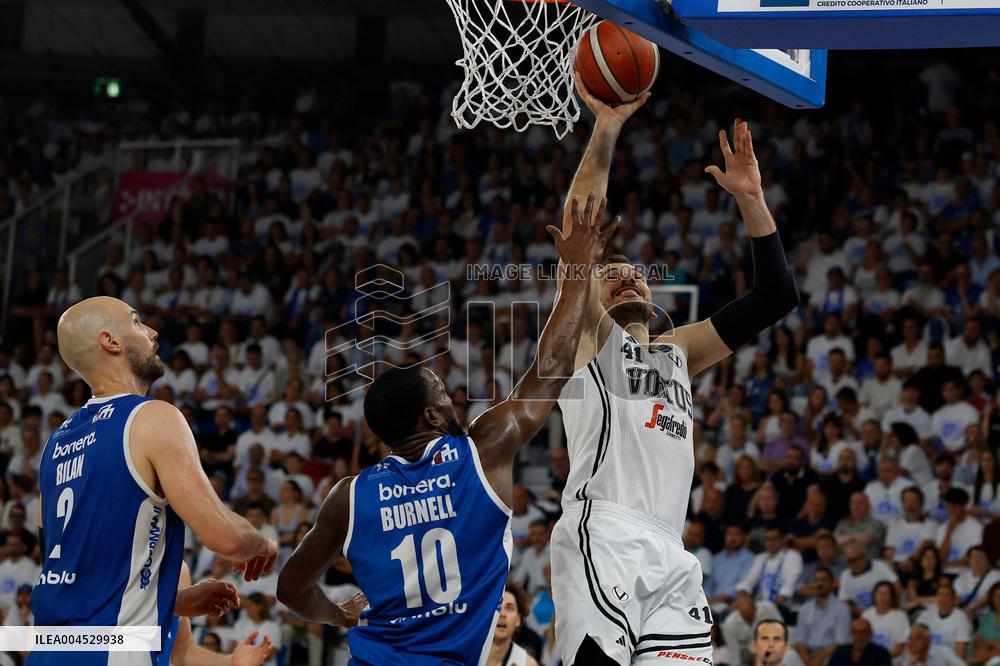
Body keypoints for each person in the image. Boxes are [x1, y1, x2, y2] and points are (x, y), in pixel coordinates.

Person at [275, 194, 614, 663]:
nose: (453, 397)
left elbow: (290, 588)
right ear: (432, 417)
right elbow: (554, 366)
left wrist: (338, 615)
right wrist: (577, 269)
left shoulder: (348, 497)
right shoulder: (483, 452)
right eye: (441, 393)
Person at [550, 78, 799, 664]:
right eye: (612, 274)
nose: (629, 276)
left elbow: (775, 297)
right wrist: (607, 129)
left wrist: (750, 198)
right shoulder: (590, 335)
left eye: (637, 272)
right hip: (603, 531)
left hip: (671, 549)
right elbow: (580, 228)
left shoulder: (677, 351)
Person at [27, 297, 278, 666]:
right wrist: (262, 542)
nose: (153, 332)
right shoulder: (152, 417)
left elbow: (71, 565)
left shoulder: (56, 443)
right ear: (111, 342)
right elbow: (227, 539)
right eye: (137, 322)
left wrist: (171, 601)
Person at [794, 567, 851, 666]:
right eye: (816, 580)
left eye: (824, 580)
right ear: (811, 584)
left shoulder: (842, 609)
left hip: (831, 654)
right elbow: (800, 639)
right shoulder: (804, 609)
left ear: (833, 583)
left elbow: (840, 642)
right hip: (808, 653)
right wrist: (805, 657)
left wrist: (818, 659)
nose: (820, 584)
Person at [487, 581, 540, 666]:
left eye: (509, 608)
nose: (503, 614)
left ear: (518, 619)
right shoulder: (466, 654)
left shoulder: (528, 664)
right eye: (498, 607)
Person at [915, 581, 971, 659]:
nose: (942, 598)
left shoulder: (961, 618)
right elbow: (915, 640)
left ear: (953, 599)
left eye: (947, 595)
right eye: (940, 595)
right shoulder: (926, 614)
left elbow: (959, 654)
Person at [862, 581, 910, 659]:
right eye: (879, 593)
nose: (882, 597)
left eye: (886, 594)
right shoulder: (866, 615)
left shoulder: (900, 616)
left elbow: (902, 644)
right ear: (874, 595)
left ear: (892, 596)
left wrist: (883, 659)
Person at [828, 618, 892, 666]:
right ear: (851, 634)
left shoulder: (881, 654)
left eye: (863, 632)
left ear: (870, 634)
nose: (859, 637)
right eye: (855, 632)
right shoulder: (840, 652)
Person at [894, 623, 965, 666]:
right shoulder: (907, 658)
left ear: (928, 639)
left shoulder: (943, 651)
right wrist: (911, 664)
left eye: (917, 637)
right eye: (910, 638)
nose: (912, 641)